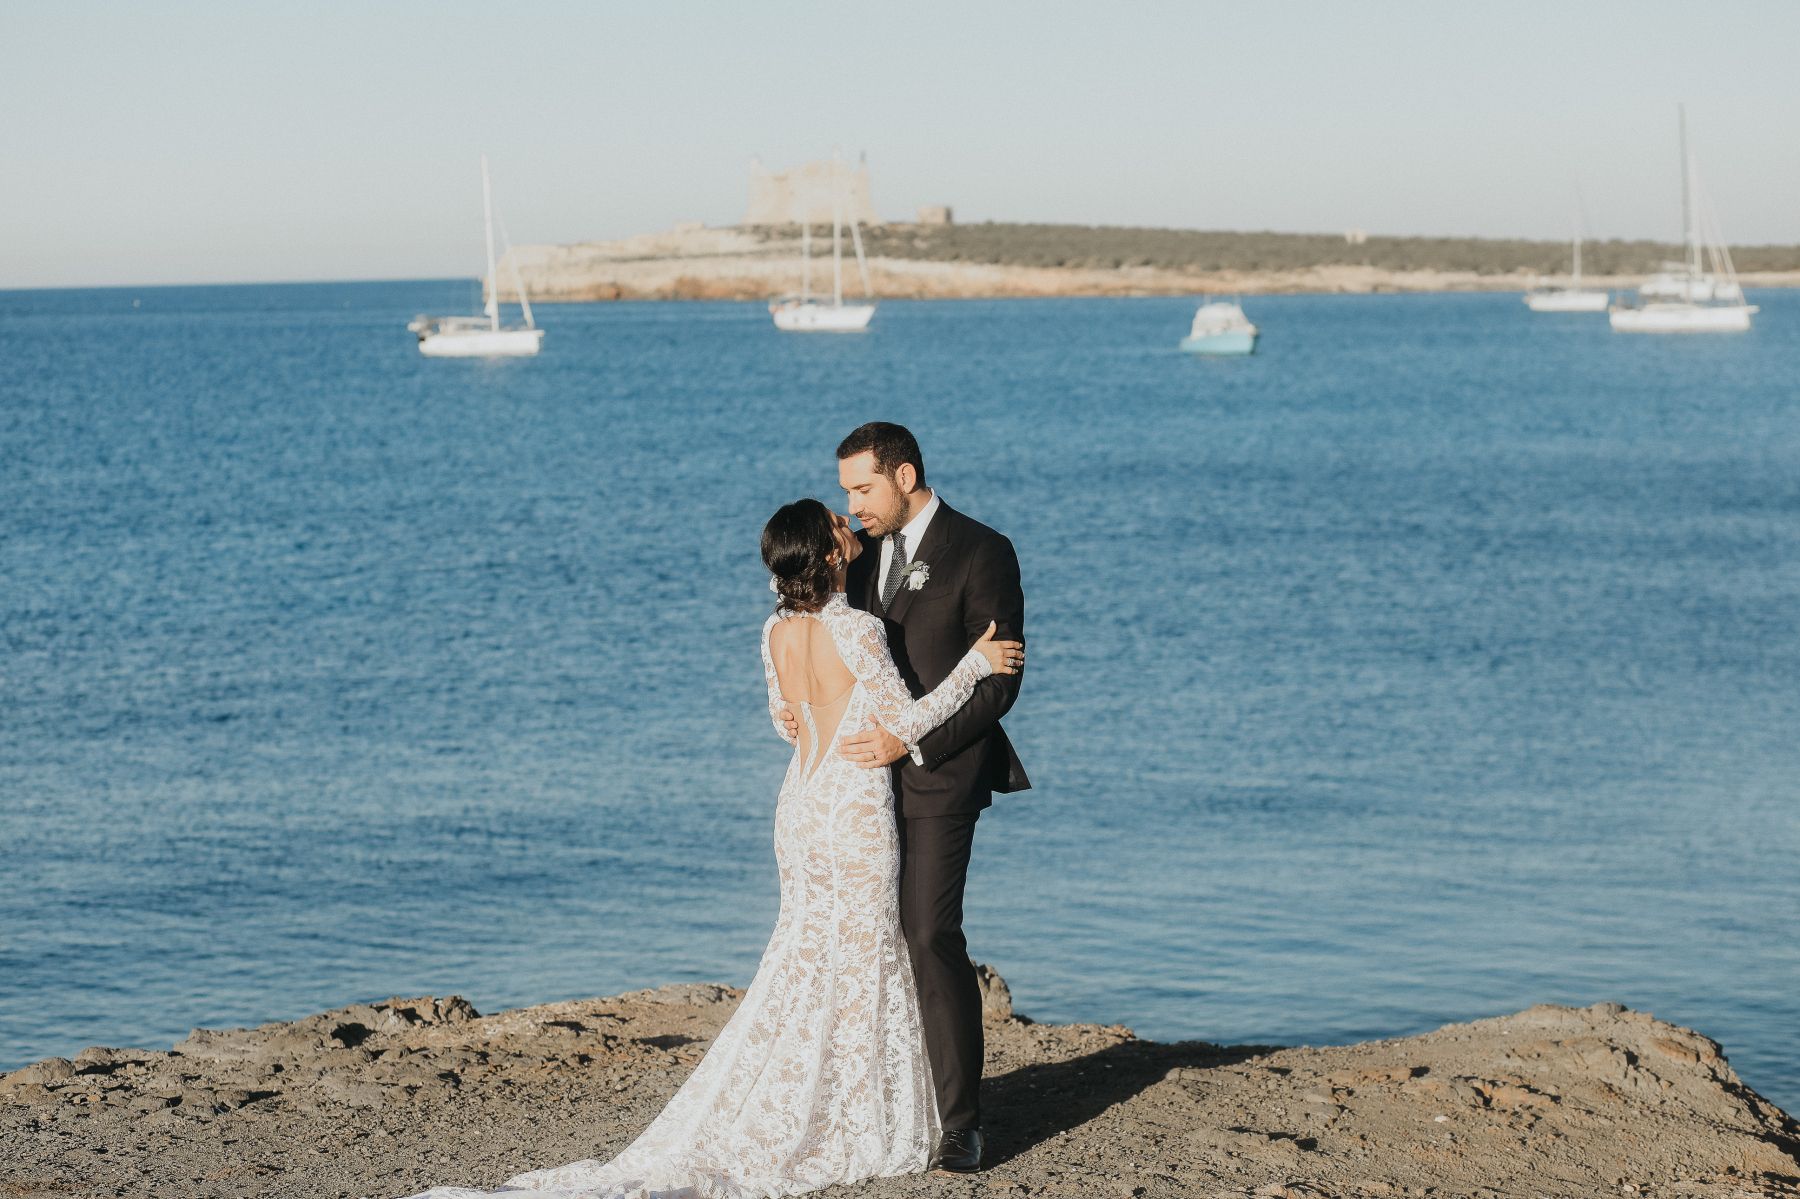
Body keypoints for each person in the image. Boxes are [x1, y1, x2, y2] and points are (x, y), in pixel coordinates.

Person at [404, 498, 1023, 1199]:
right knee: (861, 954)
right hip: (851, 810)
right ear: (827, 556)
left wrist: (810, 712)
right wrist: (973, 664)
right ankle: (856, 1110)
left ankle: (813, 1095)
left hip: (799, 805)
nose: (849, 528)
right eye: (836, 526)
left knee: (805, 953)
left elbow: (781, 716)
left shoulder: (774, 630)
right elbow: (907, 720)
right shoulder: (857, 629)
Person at [803, 421, 1029, 1175]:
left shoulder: (982, 549)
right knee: (871, 939)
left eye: (862, 488)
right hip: (858, 786)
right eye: (846, 492)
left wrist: (912, 741)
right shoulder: (855, 561)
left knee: (930, 933)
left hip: (941, 774)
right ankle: (889, 1103)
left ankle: (960, 1122)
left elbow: (1001, 681)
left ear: (904, 477)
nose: (854, 504)